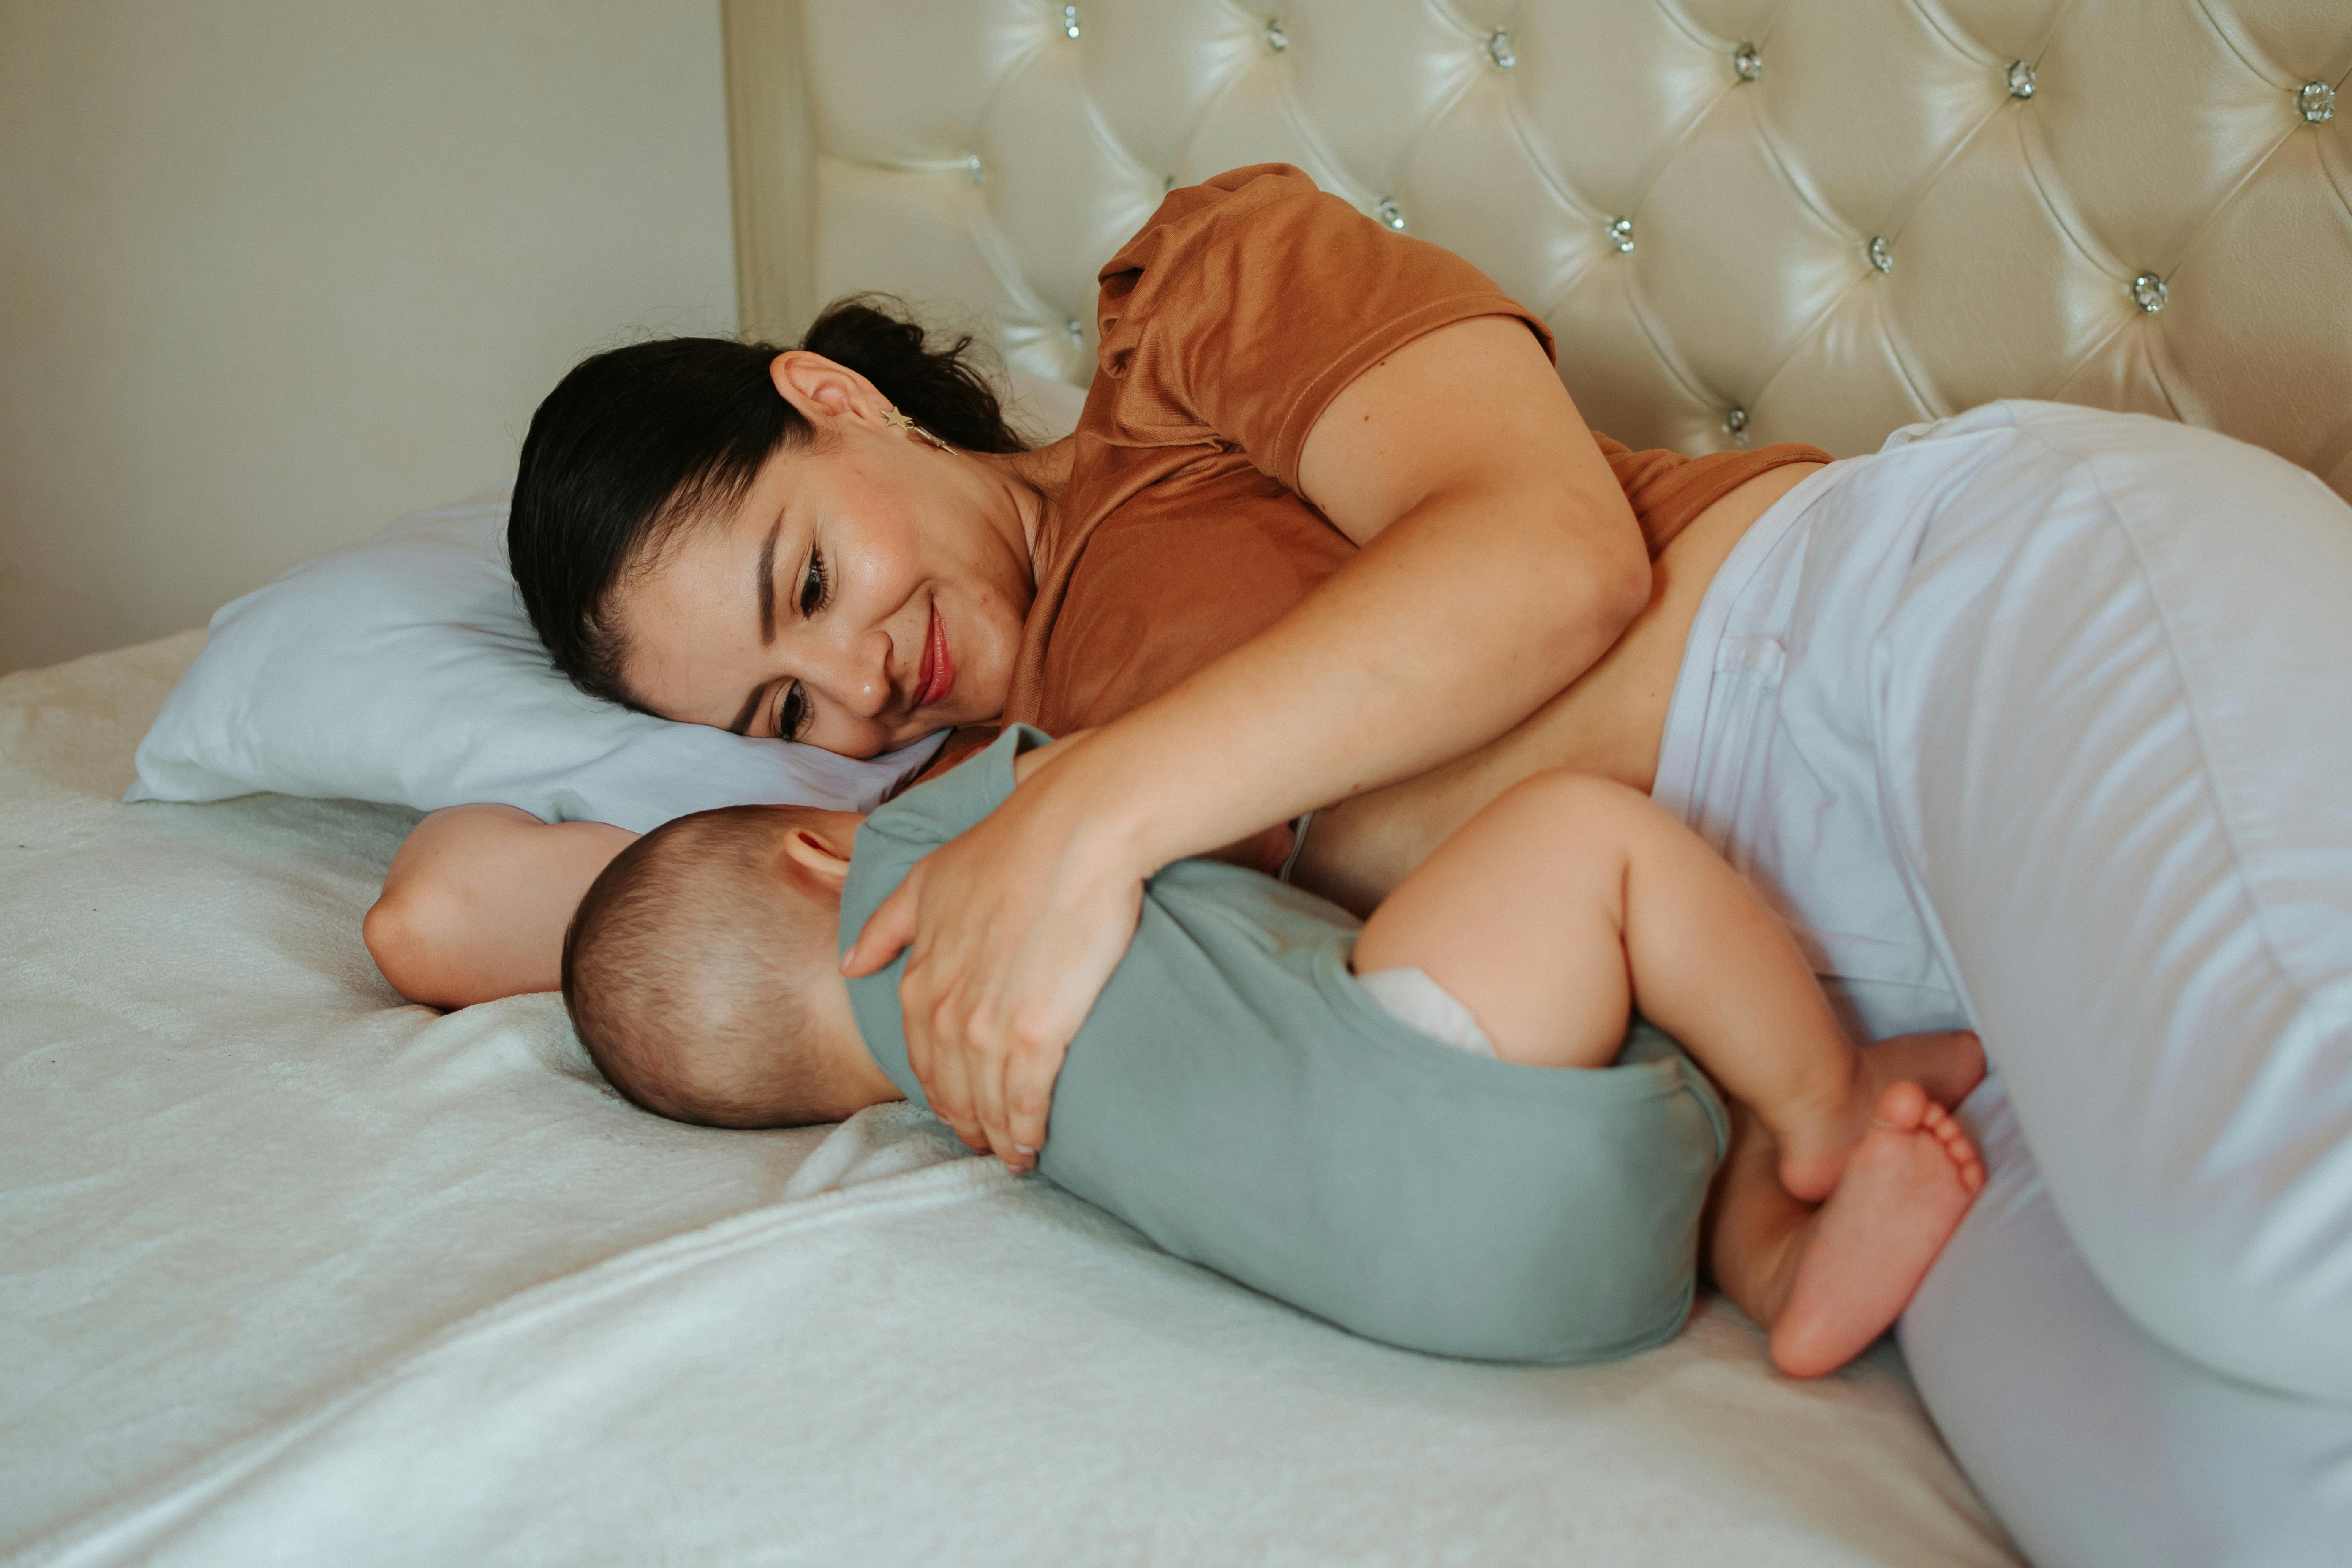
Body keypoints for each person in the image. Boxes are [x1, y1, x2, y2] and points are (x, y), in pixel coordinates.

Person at [365, 161, 2351, 1462]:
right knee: (2196, 1491)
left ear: (838, 400)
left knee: (2263, 1250)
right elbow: (450, 911)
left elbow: (1552, 557)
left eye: (810, 580)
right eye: (784, 710)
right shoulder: (967, 836)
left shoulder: (1189, 313)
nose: (858, 681)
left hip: (1919, 637)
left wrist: (1091, 818)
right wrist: (955, 817)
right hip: (1847, 1039)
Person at [561, 724, 1985, 1377]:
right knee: (1583, 836)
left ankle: (1783, 1273)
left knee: (1638, 1054)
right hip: (1417, 1062)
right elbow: (1194, 784)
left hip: (1476, 1296)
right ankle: (1828, 1099)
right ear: (817, 852)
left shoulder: (969, 1109)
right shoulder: (918, 854)